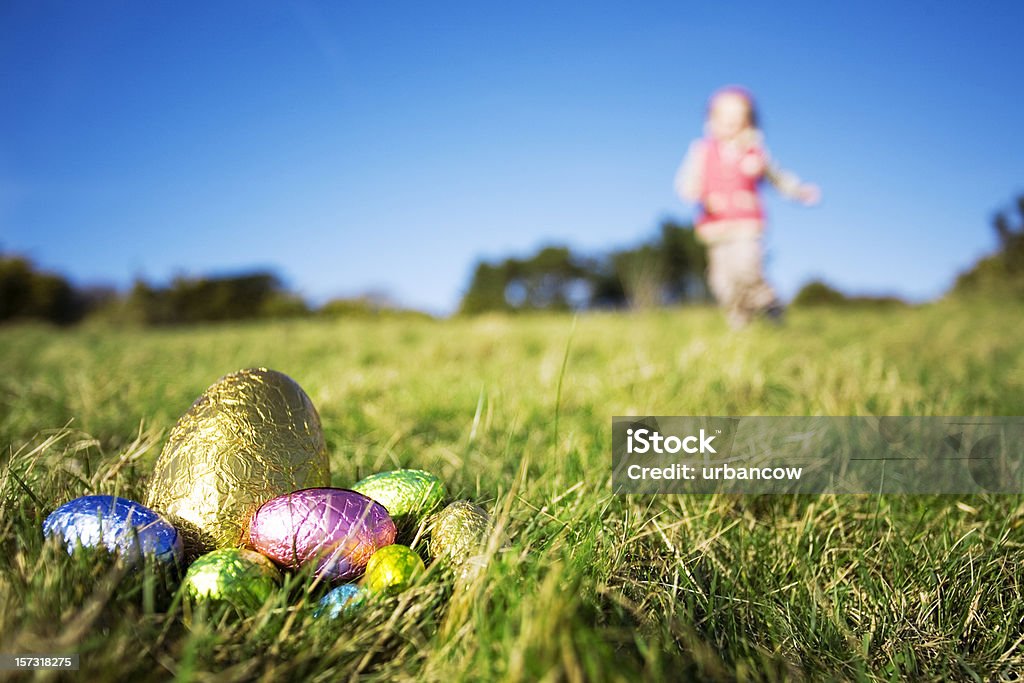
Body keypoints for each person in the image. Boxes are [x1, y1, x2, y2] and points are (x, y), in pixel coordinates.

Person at [675, 86, 820, 329]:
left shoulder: (755, 152)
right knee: (722, 281)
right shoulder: (702, 151)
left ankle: (769, 302)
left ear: (748, 121)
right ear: (711, 120)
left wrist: (798, 190)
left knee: (746, 268)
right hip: (716, 226)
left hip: (746, 222)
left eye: (737, 118)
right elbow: (689, 180)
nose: (730, 123)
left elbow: (777, 177)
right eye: (724, 117)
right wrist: (695, 192)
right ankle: (740, 325)